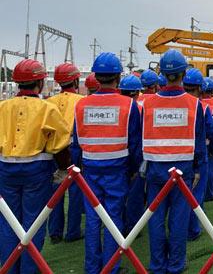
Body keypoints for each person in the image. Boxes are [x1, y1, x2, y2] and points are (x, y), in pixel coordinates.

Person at [73, 53, 142, 274]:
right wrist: (133, 170)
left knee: (93, 219)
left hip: (89, 168)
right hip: (117, 169)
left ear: (96, 76)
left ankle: (92, 268)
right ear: (118, 77)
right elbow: (135, 142)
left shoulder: (81, 105)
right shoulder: (129, 105)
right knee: (114, 217)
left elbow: (76, 142)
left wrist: (77, 168)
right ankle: (111, 267)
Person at [0, 59, 71, 274]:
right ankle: (29, 269)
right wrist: (62, 170)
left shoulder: (3, 106)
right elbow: (60, 145)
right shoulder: (47, 109)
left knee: (7, 223)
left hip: (5, 169)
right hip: (36, 170)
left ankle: (9, 268)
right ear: (40, 81)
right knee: (33, 222)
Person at [141, 49, 206, 273]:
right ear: (183, 73)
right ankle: (176, 264)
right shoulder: (194, 104)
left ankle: (157, 265)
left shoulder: (147, 104)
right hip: (183, 168)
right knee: (179, 219)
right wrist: (198, 167)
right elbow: (199, 139)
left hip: (155, 168)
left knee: (155, 217)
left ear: (161, 72)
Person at [47, 63, 85, 244]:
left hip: (53, 151)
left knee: (55, 193)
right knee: (76, 191)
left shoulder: (49, 101)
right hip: (73, 149)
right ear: (76, 80)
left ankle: (54, 232)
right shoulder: (82, 100)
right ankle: (73, 231)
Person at [183, 68, 213, 241]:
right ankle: (192, 229)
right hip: (197, 155)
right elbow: (211, 131)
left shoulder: (173, 103)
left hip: (171, 156)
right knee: (195, 194)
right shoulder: (201, 106)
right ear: (200, 88)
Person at [118, 74, 146, 236]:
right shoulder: (139, 108)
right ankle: (133, 228)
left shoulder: (118, 106)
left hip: (116, 157)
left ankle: (119, 225)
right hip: (135, 156)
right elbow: (138, 137)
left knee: (118, 196)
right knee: (135, 196)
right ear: (137, 92)